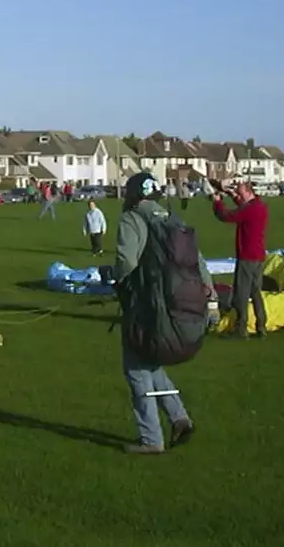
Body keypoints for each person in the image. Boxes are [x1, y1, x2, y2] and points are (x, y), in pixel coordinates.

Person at [113, 173, 200, 455]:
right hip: (174, 301)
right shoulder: (172, 219)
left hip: (146, 304)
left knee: (135, 367)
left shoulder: (133, 219)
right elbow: (196, 261)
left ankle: (151, 438)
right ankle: (179, 417)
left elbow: (126, 261)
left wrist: (121, 287)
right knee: (151, 362)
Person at [210, 179, 268, 339]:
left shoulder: (250, 210)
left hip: (247, 256)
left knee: (241, 293)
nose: (238, 194)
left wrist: (217, 202)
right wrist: (231, 194)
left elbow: (226, 216)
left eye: (240, 191)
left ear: (249, 192)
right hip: (258, 256)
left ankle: (241, 328)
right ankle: (261, 326)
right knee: (256, 292)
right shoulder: (258, 206)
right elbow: (243, 205)